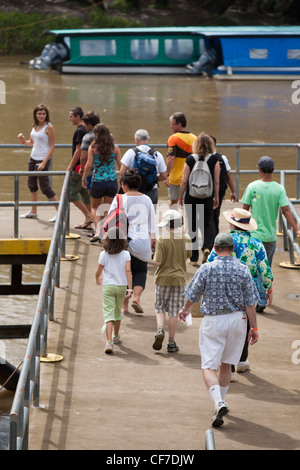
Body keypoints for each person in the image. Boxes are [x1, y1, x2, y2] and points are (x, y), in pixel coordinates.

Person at [179, 232, 259, 428]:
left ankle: (218, 402)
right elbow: (251, 303)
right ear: (233, 250)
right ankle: (220, 403)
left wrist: (185, 310)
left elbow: (193, 294)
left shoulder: (207, 268)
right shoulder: (243, 269)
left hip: (214, 321)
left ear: (214, 248)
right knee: (226, 364)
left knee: (208, 366)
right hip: (237, 320)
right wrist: (254, 327)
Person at [208, 208, 273, 375]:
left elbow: (210, 263)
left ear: (232, 223)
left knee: (226, 321)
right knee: (245, 324)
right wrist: (268, 288)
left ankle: (227, 363)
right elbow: (264, 269)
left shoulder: (225, 242)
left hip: (225, 286)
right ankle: (242, 359)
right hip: (248, 288)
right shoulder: (256, 244)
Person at [241, 156, 300, 312]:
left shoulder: (252, 186)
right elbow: (286, 210)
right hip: (270, 237)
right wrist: (296, 228)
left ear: (259, 169)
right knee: (266, 268)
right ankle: (267, 294)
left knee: (256, 269)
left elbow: (244, 210)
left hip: (254, 237)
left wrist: (238, 229)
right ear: (273, 170)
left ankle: (261, 299)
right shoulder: (279, 189)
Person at [109, 169, 156, 314]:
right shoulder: (147, 199)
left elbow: (110, 221)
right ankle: (136, 297)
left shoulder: (119, 199)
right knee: (141, 270)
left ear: (124, 185)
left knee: (124, 273)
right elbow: (152, 224)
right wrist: (153, 240)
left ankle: (124, 306)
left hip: (122, 242)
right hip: (142, 242)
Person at [178, 132, 220, 265]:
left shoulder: (190, 159)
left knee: (193, 226)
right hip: (207, 196)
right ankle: (207, 247)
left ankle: (194, 257)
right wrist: (216, 197)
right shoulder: (214, 160)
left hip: (191, 196)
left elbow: (184, 181)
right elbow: (217, 182)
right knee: (207, 224)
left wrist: (180, 196)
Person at [153, 209, 192, 353]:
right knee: (175, 311)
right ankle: (171, 342)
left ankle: (159, 330)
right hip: (179, 279)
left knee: (160, 307)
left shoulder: (162, 239)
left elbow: (157, 262)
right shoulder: (187, 238)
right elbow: (189, 255)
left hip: (162, 278)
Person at [18, 103, 58, 222]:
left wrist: (44, 163)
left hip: (42, 160)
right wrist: (22, 141)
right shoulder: (35, 126)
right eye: (39, 113)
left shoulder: (49, 127)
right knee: (32, 185)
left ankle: (60, 212)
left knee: (45, 188)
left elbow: (52, 147)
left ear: (47, 115)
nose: (41, 116)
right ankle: (33, 212)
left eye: (43, 113)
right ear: (35, 114)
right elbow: (31, 142)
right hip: (33, 158)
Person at [82, 123, 122, 243]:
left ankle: (98, 230)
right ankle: (105, 231)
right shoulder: (115, 148)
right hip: (112, 181)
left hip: (98, 181)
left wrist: (84, 178)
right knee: (107, 207)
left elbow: (88, 164)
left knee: (94, 207)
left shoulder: (93, 147)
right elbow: (121, 165)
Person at [95, 227, 132, 354]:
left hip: (108, 286)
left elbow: (98, 271)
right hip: (121, 286)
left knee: (108, 314)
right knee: (117, 311)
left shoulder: (103, 255)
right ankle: (116, 336)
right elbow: (128, 271)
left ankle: (109, 342)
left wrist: (97, 278)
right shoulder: (126, 254)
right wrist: (130, 288)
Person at [119, 128, 167, 206]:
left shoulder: (131, 152)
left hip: (134, 190)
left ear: (136, 139)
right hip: (152, 190)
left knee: (134, 216)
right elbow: (164, 176)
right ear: (148, 139)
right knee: (150, 216)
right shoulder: (157, 154)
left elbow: (122, 172)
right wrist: (152, 179)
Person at [67, 106, 92, 229]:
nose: (69, 119)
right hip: (86, 167)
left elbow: (78, 151)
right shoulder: (86, 129)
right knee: (84, 193)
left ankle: (88, 216)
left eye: (71, 116)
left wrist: (69, 167)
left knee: (71, 193)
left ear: (78, 117)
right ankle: (88, 221)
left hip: (79, 168)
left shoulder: (79, 131)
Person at [165, 112, 197, 206]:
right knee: (189, 204)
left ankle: (173, 221)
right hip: (191, 178)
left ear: (179, 124)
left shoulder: (173, 138)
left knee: (174, 203)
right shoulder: (195, 138)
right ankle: (188, 221)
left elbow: (171, 158)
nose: (171, 126)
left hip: (175, 178)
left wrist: (166, 175)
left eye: (172, 124)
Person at [210, 136, 237, 235]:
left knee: (206, 215)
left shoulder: (200, 157)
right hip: (220, 191)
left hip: (204, 192)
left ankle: (209, 239)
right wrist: (233, 192)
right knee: (215, 214)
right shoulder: (222, 157)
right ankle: (215, 237)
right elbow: (228, 176)